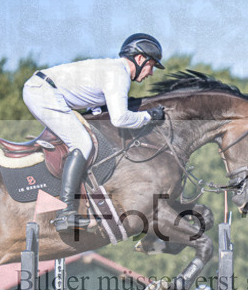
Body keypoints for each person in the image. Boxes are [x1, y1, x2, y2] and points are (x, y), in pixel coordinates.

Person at [23, 33, 166, 231]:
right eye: (152, 65)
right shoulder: (119, 74)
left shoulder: (114, 70)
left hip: (45, 89)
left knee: (86, 139)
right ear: (140, 59)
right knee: (82, 143)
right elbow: (120, 118)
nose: (151, 72)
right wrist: (148, 116)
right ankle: (65, 213)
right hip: (42, 92)